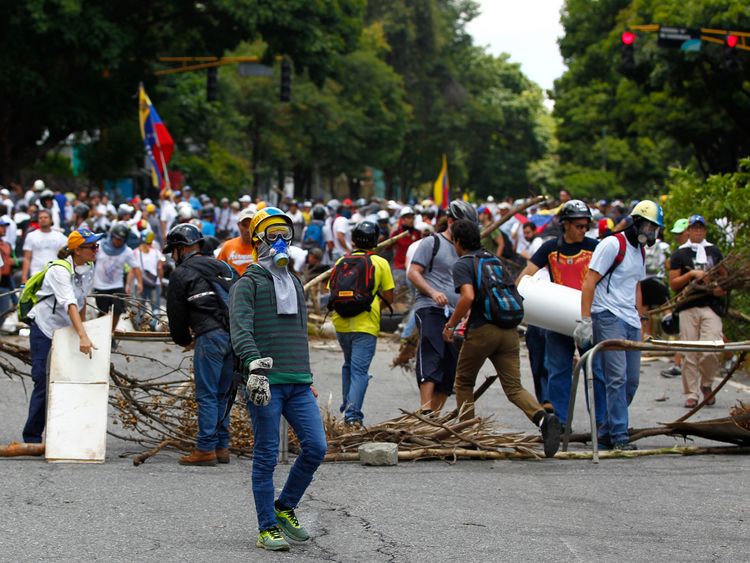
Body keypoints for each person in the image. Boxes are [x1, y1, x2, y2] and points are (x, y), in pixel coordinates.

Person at [228, 207, 327, 551]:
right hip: (264, 383)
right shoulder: (248, 282)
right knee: (267, 455)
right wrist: (254, 366)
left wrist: (306, 374)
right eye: (273, 235)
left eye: (286, 235)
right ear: (257, 240)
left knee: (316, 447)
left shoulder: (295, 282)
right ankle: (266, 527)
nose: (281, 242)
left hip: (298, 382)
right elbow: (240, 331)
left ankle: (284, 507)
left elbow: (298, 332)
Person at [444, 219, 561, 457]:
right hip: (508, 331)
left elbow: (467, 296)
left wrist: (451, 324)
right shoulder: (492, 259)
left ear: (458, 241)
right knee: (514, 387)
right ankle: (542, 419)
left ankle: (469, 436)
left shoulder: (463, 263)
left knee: (464, 382)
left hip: (482, 331)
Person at [577, 200, 664, 450]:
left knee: (632, 381)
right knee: (616, 377)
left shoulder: (640, 250)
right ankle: (619, 436)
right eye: (649, 226)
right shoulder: (613, 244)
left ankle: (606, 430)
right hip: (607, 315)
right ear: (636, 222)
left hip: (629, 319)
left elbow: (636, 284)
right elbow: (590, 280)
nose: (652, 232)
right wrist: (585, 320)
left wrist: (640, 316)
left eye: (655, 228)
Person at [516, 199, 605, 428]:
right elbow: (527, 274)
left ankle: (601, 425)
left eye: (586, 226)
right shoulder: (550, 248)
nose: (583, 230)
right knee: (558, 371)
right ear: (565, 224)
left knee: (594, 371)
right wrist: (515, 298)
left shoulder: (595, 247)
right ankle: (561, 423)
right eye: (579, 226)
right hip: (558, 316)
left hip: (587, 316)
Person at [165, 223, 236, 466]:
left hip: (210, 336)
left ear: (180, 249)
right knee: (223, 394)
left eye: (172, 250)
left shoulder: (181, 273)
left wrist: (183, 340)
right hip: (233, 336)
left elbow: (176, 315)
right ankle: (221, 446)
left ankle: (205, 448)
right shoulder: (222, 267)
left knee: (206, 394)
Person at [22, 227, 101, 444]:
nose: (96, 250)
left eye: (97, 246)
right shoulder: (59, 270)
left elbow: (82, 299)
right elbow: (70, 303)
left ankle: (65, 433)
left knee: (69, 378)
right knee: (43, 379)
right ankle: (32, 437)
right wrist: (83, 336)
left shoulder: (89, 266)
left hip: (67, 328)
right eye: (92, 246)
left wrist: (83, 330)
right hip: (45, 328)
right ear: (77, 250)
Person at [407, 200, 476, 413]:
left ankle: (434, 417)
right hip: (429, 307)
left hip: (457, 313)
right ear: (450, 221)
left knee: (450, 363)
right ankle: (425, 408)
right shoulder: (432, 243)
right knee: (432, 352)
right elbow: (413, 272)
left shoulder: (467, 248)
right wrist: (433, 292)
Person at [330, 221, 394, 426]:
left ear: (352, 240)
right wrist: (373, 306)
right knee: (360, 371)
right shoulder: (380, 263)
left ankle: (348, 405)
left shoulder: (341, 261)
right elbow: (389, 296)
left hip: (341, 322)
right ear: (376, 241)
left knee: (349, 365)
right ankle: (352, 416)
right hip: (366, 324)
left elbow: (331, 291)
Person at [669, 214, 726, 408]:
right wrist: (692, 275)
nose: (698, 231)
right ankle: (691, 394)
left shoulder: (714, 251)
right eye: (694, 228)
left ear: (705, 231)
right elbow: (673, 282)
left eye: (701, 228)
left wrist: (720, 288)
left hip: (710, 305)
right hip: (688, 306)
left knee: (712, 347)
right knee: (689, 352)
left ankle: (707, 383)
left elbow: (725, 277)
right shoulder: (679, 254)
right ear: (689, 231)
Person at [92, 223, 143, 333]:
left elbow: (136, 267)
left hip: (117, 285)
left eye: (121, 240)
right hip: (100, 286)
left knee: (118, 310)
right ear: (112, 236)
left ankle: (111, 331)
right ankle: (101, 333)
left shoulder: (127, 251)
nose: (118, 242)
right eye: (117, 239)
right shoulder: (99, 246)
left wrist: (139, 282)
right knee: (102, 311)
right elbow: (89, 259)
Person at [661, 218, 689, 378]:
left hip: (700, 300)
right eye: (676, 234)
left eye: (680, 233)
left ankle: (732, 357)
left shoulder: (702, 250)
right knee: (682, 332)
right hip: (683, 299)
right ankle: (678, 364)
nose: (678, 237)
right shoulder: (679, 253)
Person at [129, 231, 163, 331]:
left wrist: (128, 284)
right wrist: (160, 282)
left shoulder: (135, 252)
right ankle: (154, 324)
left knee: (140, 305)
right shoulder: (156, 252)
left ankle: (140, 325)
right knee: (155, 305)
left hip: (139, 284)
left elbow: (132, 270)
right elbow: (160, 269)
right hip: (154, 283)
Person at [21, 209, 67, 283]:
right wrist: (24, 278)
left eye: (45, 217)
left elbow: (66, 257)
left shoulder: (60, 237)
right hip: (36, 275)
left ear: (51, 220)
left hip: (56, 275)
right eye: (40, 218)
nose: (43, 219)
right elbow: (27, 258)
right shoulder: (31, 236)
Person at [390, 206, 421, 298]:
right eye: (408, 217)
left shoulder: (418, 233)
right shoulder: (396, 234)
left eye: (412, 217)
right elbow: (387, 248)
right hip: (400, 267)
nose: (411, 220)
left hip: (414, 268)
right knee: (400, 294)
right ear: (402, 219)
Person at [217, 207, 256, 275]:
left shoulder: (262, 247)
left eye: (251, 225)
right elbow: (218, 270)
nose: (248, 230)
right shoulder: (228, 246)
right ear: (238, 225)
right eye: (244, 225)